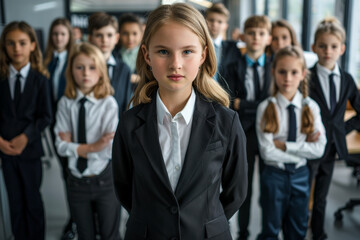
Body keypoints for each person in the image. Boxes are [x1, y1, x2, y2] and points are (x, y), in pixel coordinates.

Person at [112, 3, 248, 239]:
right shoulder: (129, 123)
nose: (175, 63)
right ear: (147, 55)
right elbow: (124, 189)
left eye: (187, 51)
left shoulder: (227, 122)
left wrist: (206, 223)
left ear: (203, 54)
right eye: (163, 51)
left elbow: (236, 192)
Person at [256, 46, 327, 239]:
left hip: (300, 176)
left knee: (297, 230)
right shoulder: (266, 108)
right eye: (282, 72)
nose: (288, 78)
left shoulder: (311, 107)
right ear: (273, 73)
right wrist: (303, 149)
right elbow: (267, 152)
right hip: (274, 177)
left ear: (303, 74)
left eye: (294, 72)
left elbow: (319, 149)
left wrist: (286, 145)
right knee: (270, 230)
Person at [54, 42, 120, 240]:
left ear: (101, 72)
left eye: (92, 67)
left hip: (104, 180)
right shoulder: (66, 103)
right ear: (71, 70)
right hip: (76, 181)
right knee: (85, 235)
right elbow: (60, 146)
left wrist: (74, 146)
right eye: (79, 67)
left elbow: (107, 149)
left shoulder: (108, 103)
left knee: (110, 234)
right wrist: (93, 146)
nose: (85, 73)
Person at [308, 17, 360, 240]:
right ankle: (297, 230)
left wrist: (342, 128)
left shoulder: (347, 80)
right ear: (314, 48)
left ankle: (318, 233)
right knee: (301, 193)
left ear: (342, 49)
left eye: (333, 46)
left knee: (321, 195)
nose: (328, 51)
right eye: (322, 46)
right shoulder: (305, 76)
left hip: (331, 149)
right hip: (308, 146)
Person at [0, 21, 52, 240]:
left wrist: (25, 137)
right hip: (6, 151)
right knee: (15, 201)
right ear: (4, 47)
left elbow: (46, 116)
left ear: (32, 45)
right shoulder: (1, 79)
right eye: (11, 43)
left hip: (30, 151)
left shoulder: (41, 80)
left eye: (22, 43)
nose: (16, 48)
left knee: (32, 200)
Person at [226, 15, 272, 240]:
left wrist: (244, 104)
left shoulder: (275, 67)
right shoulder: (234, 66)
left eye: (261, 33)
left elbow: (269, 103)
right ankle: (243, 233)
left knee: (269, 187)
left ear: (268, 38)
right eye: (251, 33)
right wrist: (257, 105)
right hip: (243, 133)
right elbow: (229, 101)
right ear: (243, 37)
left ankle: (267, 232)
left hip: (269, 133)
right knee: (244, 188)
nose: (256, 38)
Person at [43, 17, 77, 240]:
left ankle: (78, 219)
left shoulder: (74, 60)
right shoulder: (46, 62)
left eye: (62, 34)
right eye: (55, 34)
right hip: (55, 124)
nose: (58, 38)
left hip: (73, 122)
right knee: (66, 173)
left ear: (69, 36)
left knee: (76, 171)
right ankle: (73, 216)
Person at [88, 12, 132, 113]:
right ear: (90, 38)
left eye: (109, 35)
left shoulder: (124, 69)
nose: (104, 40)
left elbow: (125, 105)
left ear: (116, 38)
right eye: (99, 35)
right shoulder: (84, 67)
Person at [205, 2, 241, 90]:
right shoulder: (197, 45)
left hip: (222, 95)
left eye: (219, 22)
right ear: (205, 21)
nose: (215, 24)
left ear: (225, 26)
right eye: (211, 20)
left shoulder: (232, 48)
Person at [117, 13, 144, 86]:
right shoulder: (114, 54)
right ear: (118, 34)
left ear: (141, 35)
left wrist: (139, 79)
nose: (130, 38)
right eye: (125, 33)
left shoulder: (147, 55)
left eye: (134, 34)